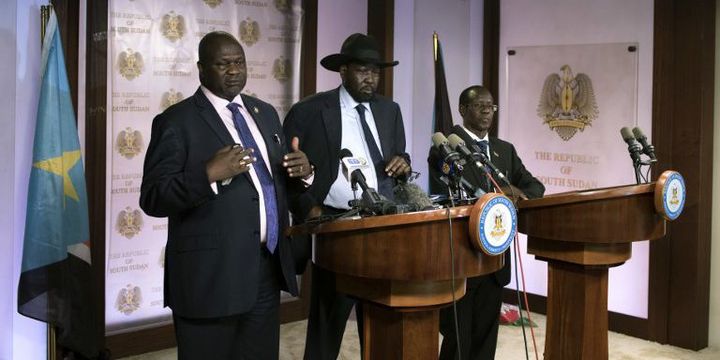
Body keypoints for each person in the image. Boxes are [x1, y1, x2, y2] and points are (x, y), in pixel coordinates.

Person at [139, 31, 312, 360]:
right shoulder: (176, 121)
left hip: (265, 270)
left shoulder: (265, 113)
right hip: (209, 278)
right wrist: (207, 175)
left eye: (239, 62)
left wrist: (305, 172)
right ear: (201, 69)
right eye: (223, 64)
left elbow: (274, 184)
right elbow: (153, 197)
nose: (234, 71)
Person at [283, 33, 412, 360]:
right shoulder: (310, 110)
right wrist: (309, 210)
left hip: (383, 226)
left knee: (379, 317)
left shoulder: (389, 110)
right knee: (328, 322)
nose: (370, 78)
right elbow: (287, 172)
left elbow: (399, 156)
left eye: (375, 71)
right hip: (335, 226)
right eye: (362, 70)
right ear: (343, 71)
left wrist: (404, 164)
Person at [429, 85, 545, 360]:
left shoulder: (505, 150)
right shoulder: (446, 148)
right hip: (462, 256)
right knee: (458, 337)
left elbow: (534, 187)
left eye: (490, 106)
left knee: (485, 337)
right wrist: (505, 193)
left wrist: (516, 193)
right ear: (462, 110)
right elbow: (452, 198)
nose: (486, 111)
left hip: (495, 258)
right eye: (479, 105)